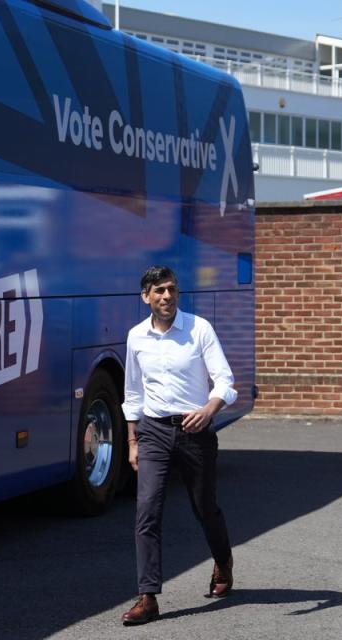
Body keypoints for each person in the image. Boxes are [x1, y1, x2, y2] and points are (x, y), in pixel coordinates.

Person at [119, 265, 238, 626]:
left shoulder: (199, 329)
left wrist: (209, 409)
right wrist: (131, 440)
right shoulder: (136, 337)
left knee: (204, 507)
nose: (166, 296)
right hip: (153, 431)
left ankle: (222, 560)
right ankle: (148, 596)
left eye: (171, 289)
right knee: (147, 510)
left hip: (195, 431)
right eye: (159, 291)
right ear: (146, 297)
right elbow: (132, 392)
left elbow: (225, 381)